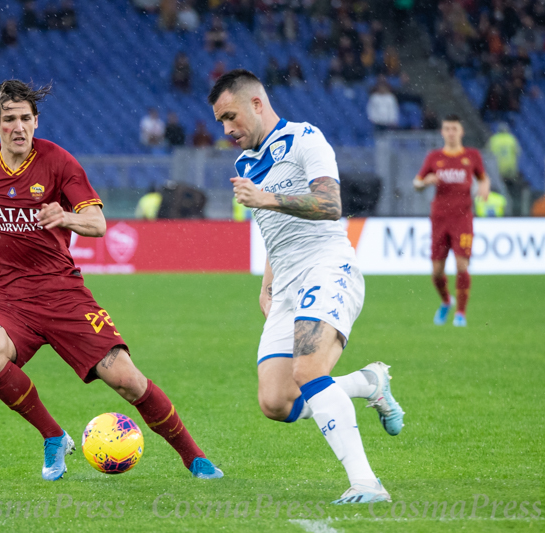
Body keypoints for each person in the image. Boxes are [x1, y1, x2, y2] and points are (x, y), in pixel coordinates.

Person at [0, 79, 223, 481]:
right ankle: (54, 436)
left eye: (27, 119)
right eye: (10, 119)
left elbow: (98, 223)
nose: (19, 127)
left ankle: (195, 458)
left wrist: (64, 216)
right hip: (9, 301)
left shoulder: (58, 162)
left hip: (65, 296)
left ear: (36, 121)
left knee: (127, 380)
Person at [207, 69, 403, 504]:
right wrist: (268, 282)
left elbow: (331, 204)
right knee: (277, 402)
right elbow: (275, 231)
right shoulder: (244, 163)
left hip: (328, 268)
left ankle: (367, 484)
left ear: (257, 104)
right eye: (221, 121)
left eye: (231, 116)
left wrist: (268, 197)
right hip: (287, 283)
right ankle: (369, 382)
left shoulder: (305, 140)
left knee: (309, 371)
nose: (227, 130)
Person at [413, 114, 491, 327]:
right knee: (437, 271)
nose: (450, 132)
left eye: (454, 128)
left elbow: (483, 177)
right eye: (447, 128)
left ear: (461, 131)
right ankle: (447, 301)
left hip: (463, 218)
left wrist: (484, 186)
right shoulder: (434, 157)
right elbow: (416, 182)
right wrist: (426, 181)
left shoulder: (472, 156)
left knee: (462, 265)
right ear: (442, 132)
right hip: (439, 218)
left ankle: (461, 313)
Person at [487, 123, 525, 216]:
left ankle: (502, 210)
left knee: (499, 193)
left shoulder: (494, 140)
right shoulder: (511, 139)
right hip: (510, 172)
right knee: (511, 193)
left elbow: (488, 154)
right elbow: (518, 153)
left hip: (497, 172)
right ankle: (512, 212)